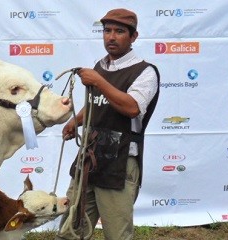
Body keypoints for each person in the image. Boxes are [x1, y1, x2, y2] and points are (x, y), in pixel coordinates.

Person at [55, 8, 160, 240]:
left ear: (133, 37)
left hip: (120, 162)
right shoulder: (100, 66)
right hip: (89, 157)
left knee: (116, 234)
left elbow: (132, 107)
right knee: (71, 228)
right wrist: (76, 121)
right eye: (107, 30)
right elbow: (97, 102)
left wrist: (99, 81)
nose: (111, 36)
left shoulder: (145, 72)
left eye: (119, 31)